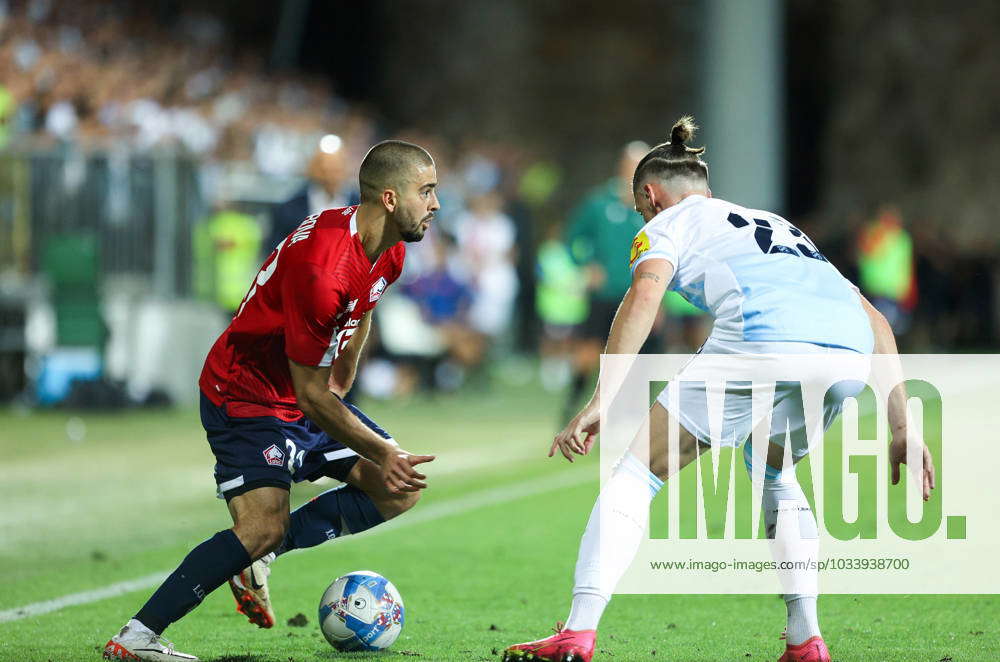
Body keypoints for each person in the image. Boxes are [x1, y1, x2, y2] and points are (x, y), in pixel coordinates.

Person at [502, 118, 936, 662]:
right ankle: (806, 640)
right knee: (774, 470)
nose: (642, 218)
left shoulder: (667, 224)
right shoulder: (778, 225)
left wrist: (601, 400)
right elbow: (875, 319)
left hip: (764, 340)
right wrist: (904, 425)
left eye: (641, 209)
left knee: (638, 472)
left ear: (651, 196)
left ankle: (578, 632)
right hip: (845, 356)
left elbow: (643, 295)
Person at [103, 140, 441, 661]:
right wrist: (382, 449)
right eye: (427, 190)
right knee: (261, 525)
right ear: (392, 199)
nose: (436, 203)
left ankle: (259, 557)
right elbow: (310, 396)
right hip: (247, 393)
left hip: (298, 392)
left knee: (398, 491)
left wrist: (348, 359)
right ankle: (138, 637)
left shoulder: (390, 246)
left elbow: (365, 303)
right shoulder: (323, 270)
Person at [562, 141, 652, 422]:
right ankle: (571, 409)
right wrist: (585, 266)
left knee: (637, 358)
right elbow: (570, 238)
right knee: (588, 354)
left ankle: (628, 416)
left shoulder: (652, 206)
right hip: (604, 294)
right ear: (621, 166)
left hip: (639, 293)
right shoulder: (599, 203)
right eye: (631, 164)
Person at [266, 135, 359, 254]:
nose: (329, 170)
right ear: (312, 167)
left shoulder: (362, 206)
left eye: (335, 165)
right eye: (323, 165)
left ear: (346, 167)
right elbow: (275, 253)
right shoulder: (289, 209)